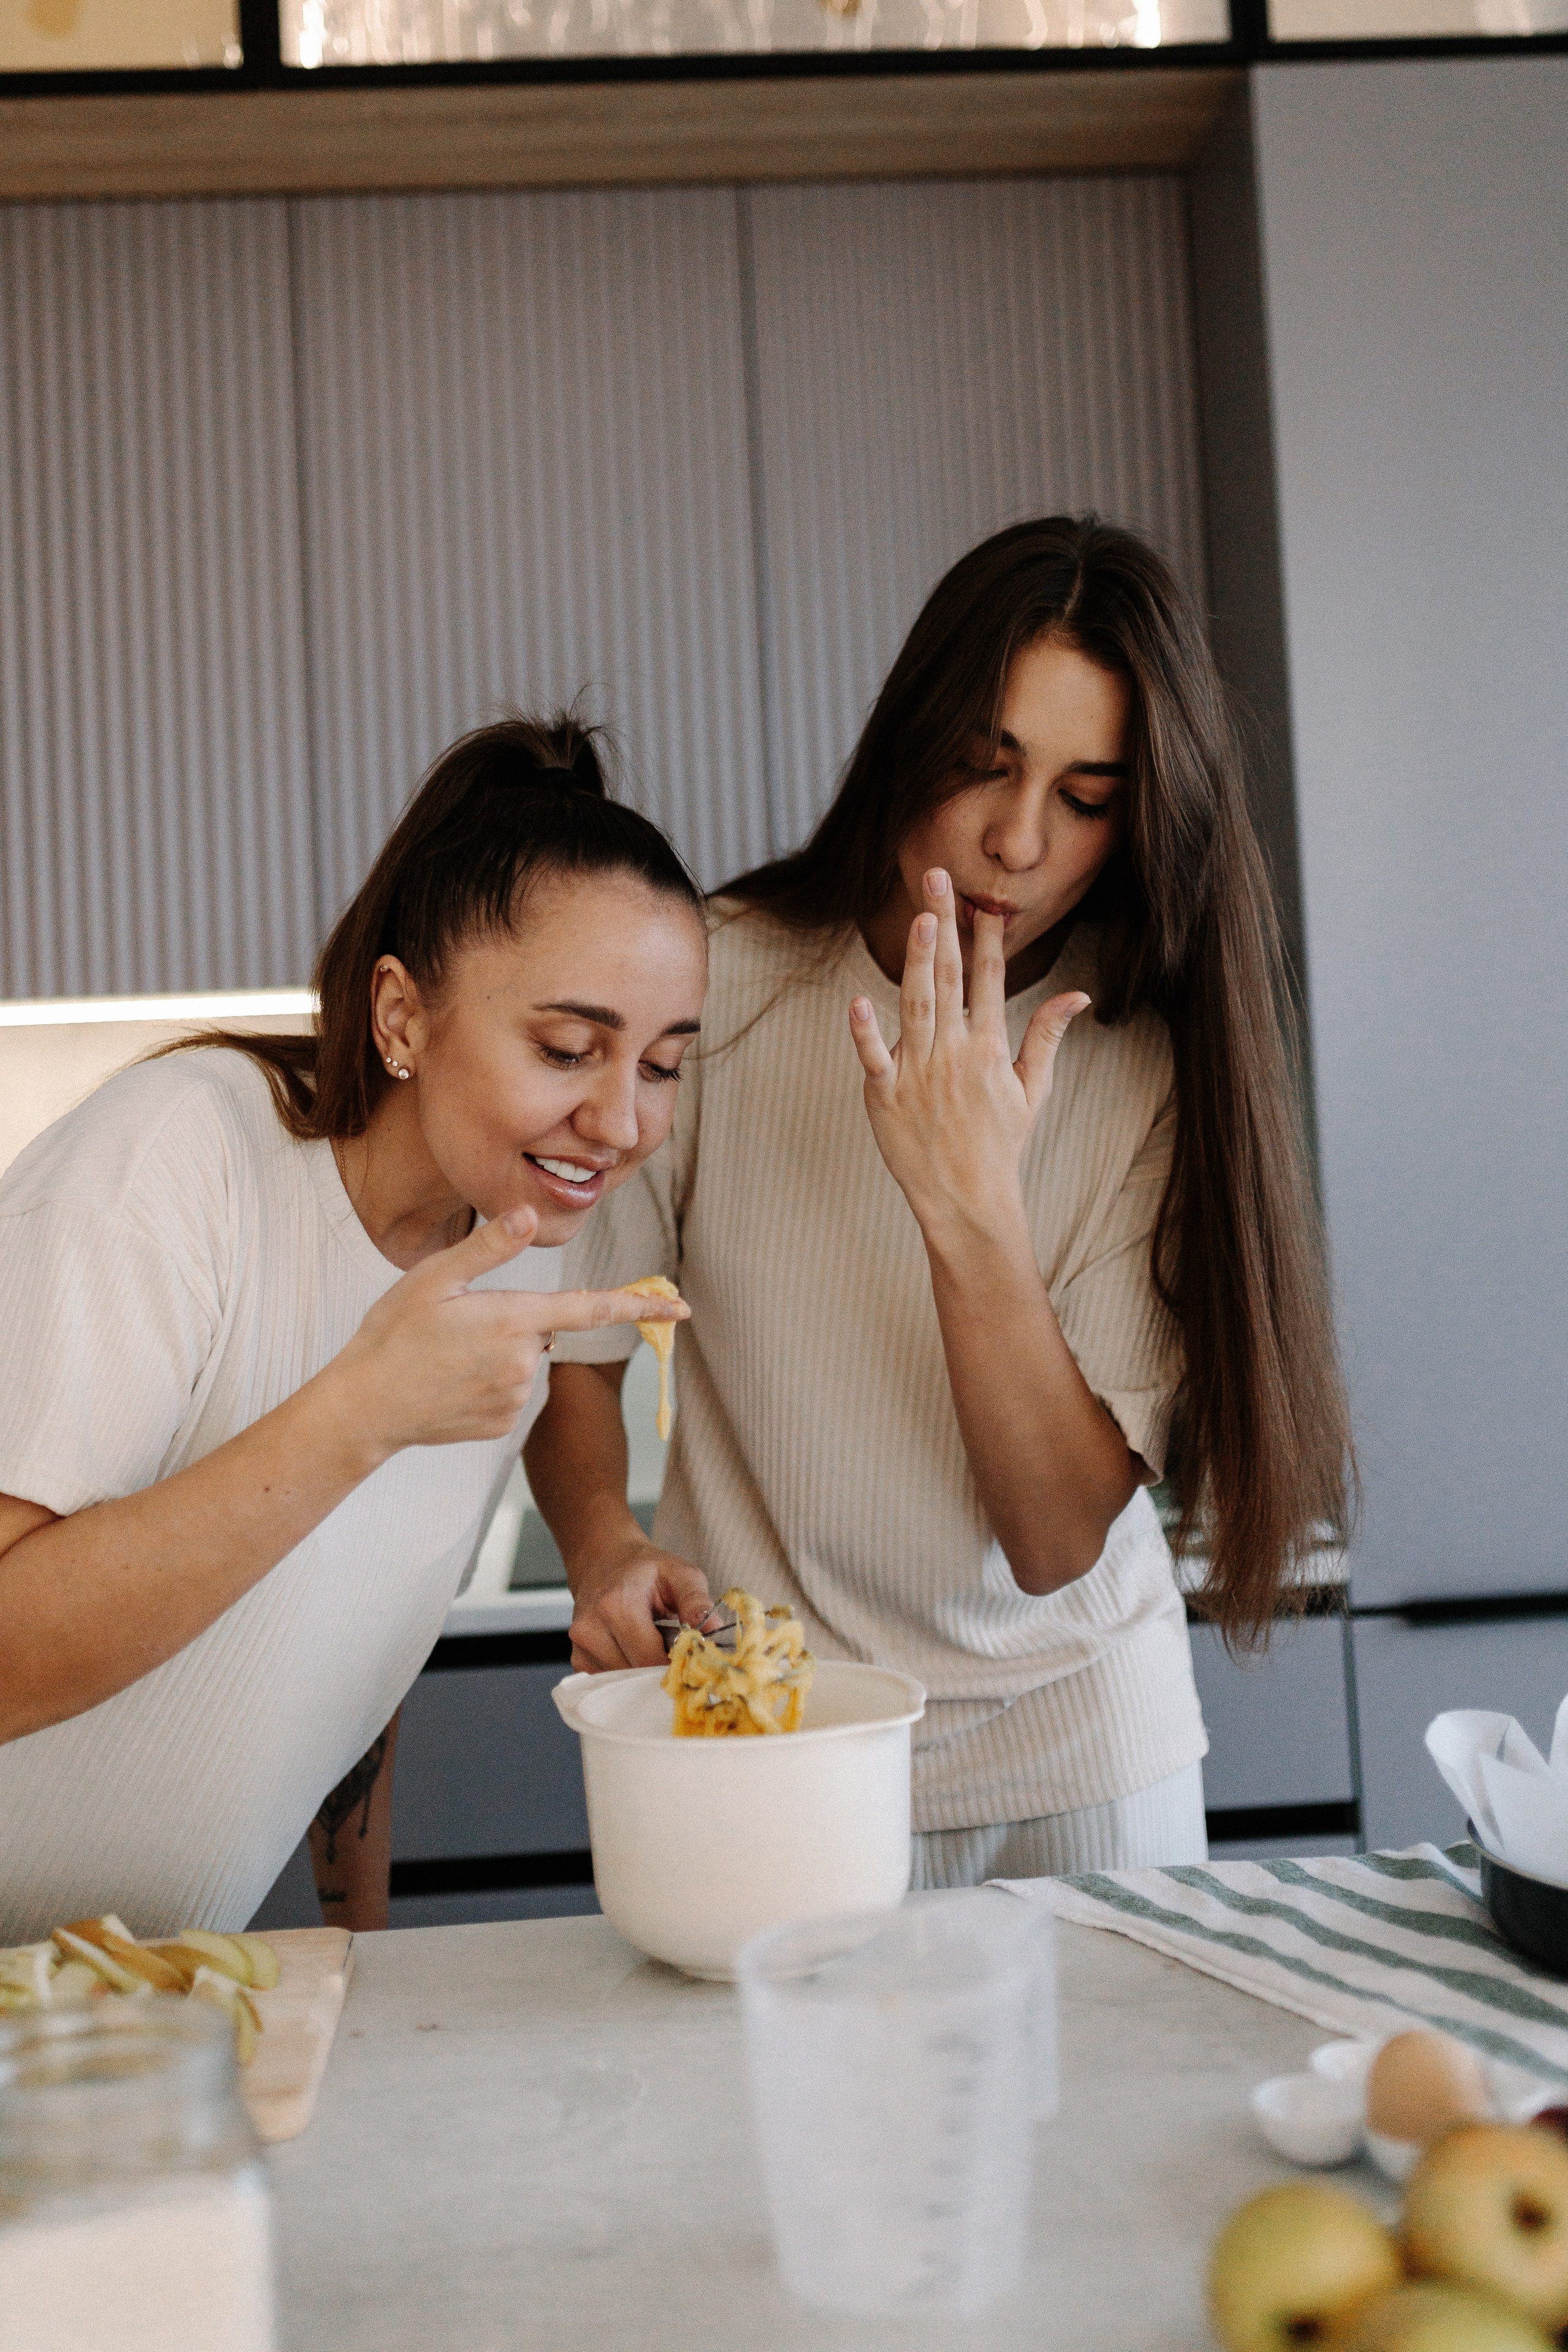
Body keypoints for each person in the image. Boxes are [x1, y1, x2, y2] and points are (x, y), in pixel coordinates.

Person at [526, 517, 1354, 1885]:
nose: (1016, 841)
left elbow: (1047, 1539)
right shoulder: (715, 980)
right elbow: (577, 1341)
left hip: (1078, 1748)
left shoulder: (1142, 1056)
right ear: (908, 742)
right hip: (779, 1742)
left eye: (1084, 798)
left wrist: (969, 1203)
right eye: (983, 765)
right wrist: (602, 1541)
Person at [0, 717, 701, 1942]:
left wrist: (349, 1959)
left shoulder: (524, 1226)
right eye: (566, 1048)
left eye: (662, 1065)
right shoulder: (178, 1160)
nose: (621, 1121)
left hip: (153, 1990)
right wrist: (363, 1413)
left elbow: (349, 1657)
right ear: (401, 1016)